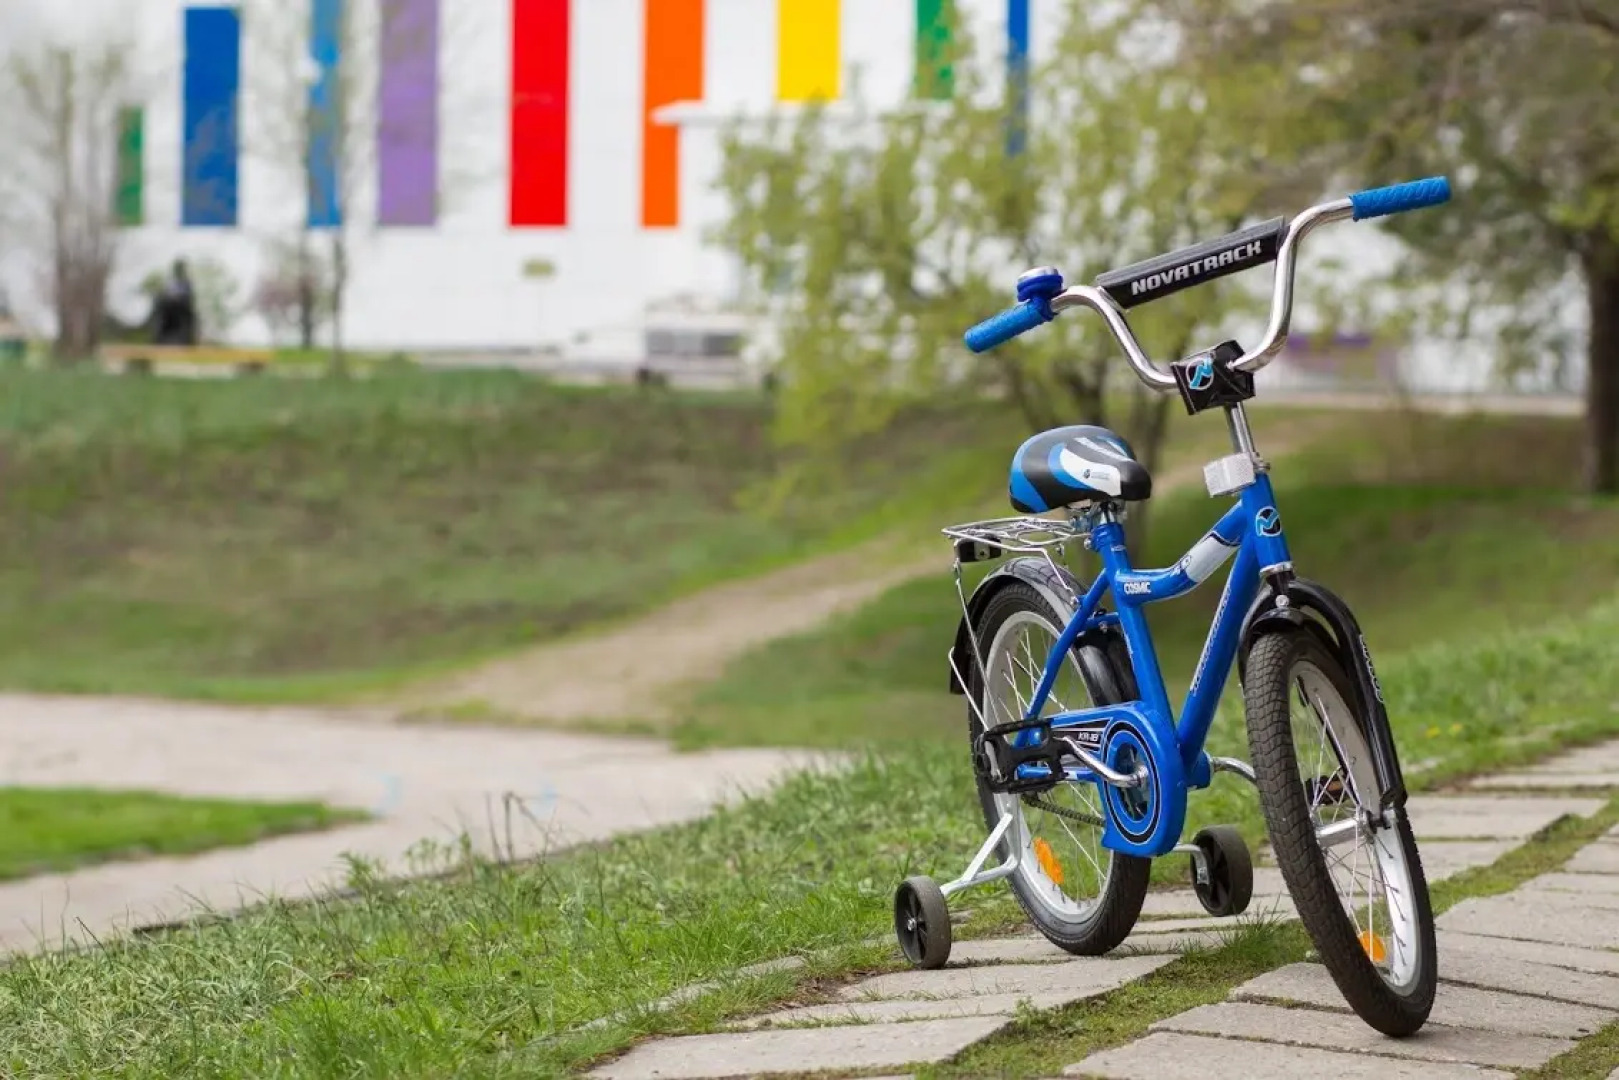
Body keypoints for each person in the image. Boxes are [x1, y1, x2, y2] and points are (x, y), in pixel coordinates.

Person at [149, 259, 198, 345]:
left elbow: (188, 297)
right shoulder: (171, 282)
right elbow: (166, 293)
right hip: (169, 308)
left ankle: (183, 339)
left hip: (182, 307)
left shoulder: (187, 282)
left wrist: (177, 298)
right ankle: (159, 337)